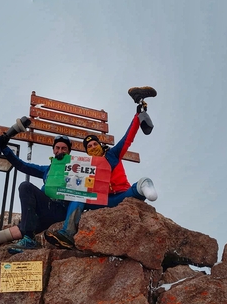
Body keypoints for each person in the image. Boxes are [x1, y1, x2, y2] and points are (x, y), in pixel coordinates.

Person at [44, 86, 158, 249]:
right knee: (79, 195)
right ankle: (67, 234)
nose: (92, 147)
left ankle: (143, 185)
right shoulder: (86, 166)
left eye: (94, 144)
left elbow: (127, 139)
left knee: (136, 189)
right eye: (88, 146)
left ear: (100, 144)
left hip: (122, 195)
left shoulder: (111, 155)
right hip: (102, 201)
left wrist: (138, 115)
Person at [0, 128, 73, 254]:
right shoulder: (47, 170)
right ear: (53, 150)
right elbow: (23, 165)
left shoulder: (76, 169)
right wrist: (4, 148)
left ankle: (29, 239)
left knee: (26, 187)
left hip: (60, 210)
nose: (60, 151)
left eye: (64, 148)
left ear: (69, 151)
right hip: (44, 213)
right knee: (27, 224)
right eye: (57, 148)